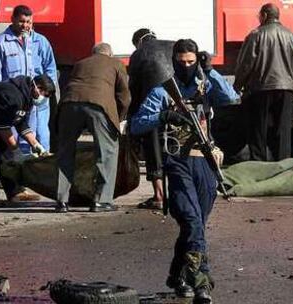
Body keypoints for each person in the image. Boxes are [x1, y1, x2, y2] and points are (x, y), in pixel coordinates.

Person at [130, 39, 239, 303]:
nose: (187, 67)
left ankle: (177, 276)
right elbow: (136, 124)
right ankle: (202, 281)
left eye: (192, 62)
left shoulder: (205, 85)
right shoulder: (163, 92)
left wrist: (210, 70)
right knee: (191, 220)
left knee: (197, 224)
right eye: (182, 63)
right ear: (174, 62)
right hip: (178, 162)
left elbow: (231, 98)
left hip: (205, 162)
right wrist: (164, 117)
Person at [55, 43, 130, 213]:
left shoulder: (80, 63)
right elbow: (124, 96)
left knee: (65, 152)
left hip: (69, 105)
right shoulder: (116, 64)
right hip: (99, 106)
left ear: (93, 54)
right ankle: (101, 200)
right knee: (107, 152)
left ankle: (61, 200)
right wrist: (119, 118)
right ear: (110, 54)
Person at [234, 2, 293, 161]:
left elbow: (246, 64)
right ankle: (283, 166)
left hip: (261, 89)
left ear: (264, 16)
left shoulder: (256, 35)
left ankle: (259, 166)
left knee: (258, 130)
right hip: (287, 89)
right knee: (283, 131)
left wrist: (238, 85)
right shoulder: (291, 36)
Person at [0, 75, 55, 206]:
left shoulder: (26, 99)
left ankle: (14, 192)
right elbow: (4, 128)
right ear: (37, 88)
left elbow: (21, 123)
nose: (44, 98)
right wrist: (16, 150)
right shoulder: (12, 95)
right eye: (45, 94)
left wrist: (36, 145)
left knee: (6, 157)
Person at [0, 4, 58, 154]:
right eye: (21, 21)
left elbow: (50, 68)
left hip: (37, 101)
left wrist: (45, 94)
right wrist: (0, 101)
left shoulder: (40, 42)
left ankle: (41, 171)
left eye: (28, 22)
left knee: (40, 136)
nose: (25, 26)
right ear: (12, 19)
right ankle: (15, 172)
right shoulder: (1, 43)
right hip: (14, 102)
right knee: (14, 138)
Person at [128, 28, 174, 210]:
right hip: (176, 100)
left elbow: (134, 86)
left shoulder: (139, 53)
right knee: (176, 146)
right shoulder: (172, 45)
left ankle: (159, 196)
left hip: (151, 103)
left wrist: (132, 116)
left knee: (152, 148)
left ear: (138, 42)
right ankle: (178, 192)